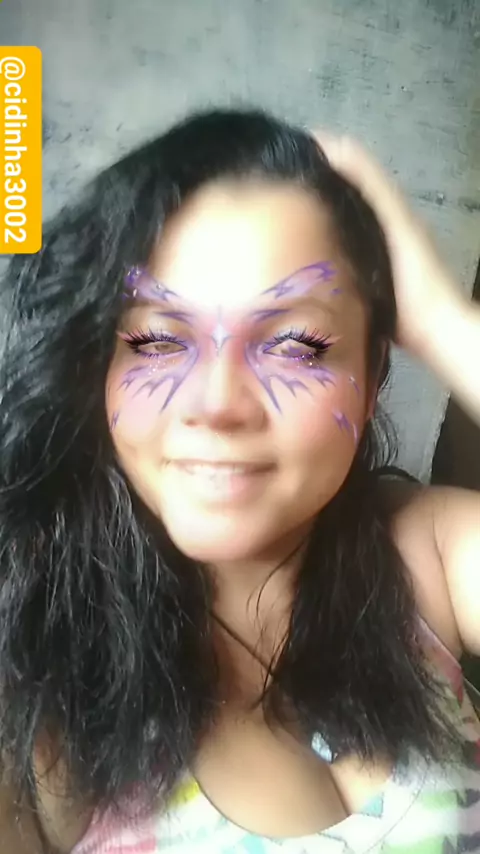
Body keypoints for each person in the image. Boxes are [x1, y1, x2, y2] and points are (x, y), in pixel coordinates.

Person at [0, 108, 479, 854]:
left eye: (297, 343)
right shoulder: (37, 684)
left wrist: (443, 320)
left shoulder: (431, 559)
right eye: (155, 340)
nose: (217, 401)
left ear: (373, 373)